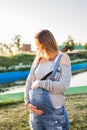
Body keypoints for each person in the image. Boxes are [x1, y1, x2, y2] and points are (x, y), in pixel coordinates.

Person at [24, 29, 71, 130]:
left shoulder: (63, 58)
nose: (36, 47)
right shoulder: (38, 59)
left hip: (54, 116)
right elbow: (29, 82)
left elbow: (63, 86)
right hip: (35, 116)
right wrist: (27, 102)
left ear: (45, 44)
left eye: (38, 44)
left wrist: (40, 83)